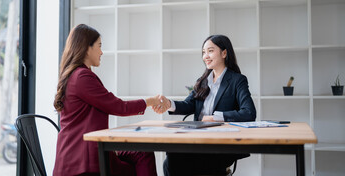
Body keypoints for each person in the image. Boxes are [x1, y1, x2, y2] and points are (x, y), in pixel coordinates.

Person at [53, 24, 160, 176]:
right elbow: (118, 107)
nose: (102, 52)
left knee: (141, 152)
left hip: (78, 156)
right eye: (99, 46)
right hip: (83, 161)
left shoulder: (75, 75)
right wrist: (150, 101)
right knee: (143, 155)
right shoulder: (82, 77)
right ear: (87, 48)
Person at [155, 34, 256, 176]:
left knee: (174, 160)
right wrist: (169, 104)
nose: (205, 56)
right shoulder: (202, 81)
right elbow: (188, 105)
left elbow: (249, 112)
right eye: (203, 52)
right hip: (197, 140)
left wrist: (216, 118)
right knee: (172, 155)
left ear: (224, 53)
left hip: (221, 145)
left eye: (210, 51)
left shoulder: (237, 80)